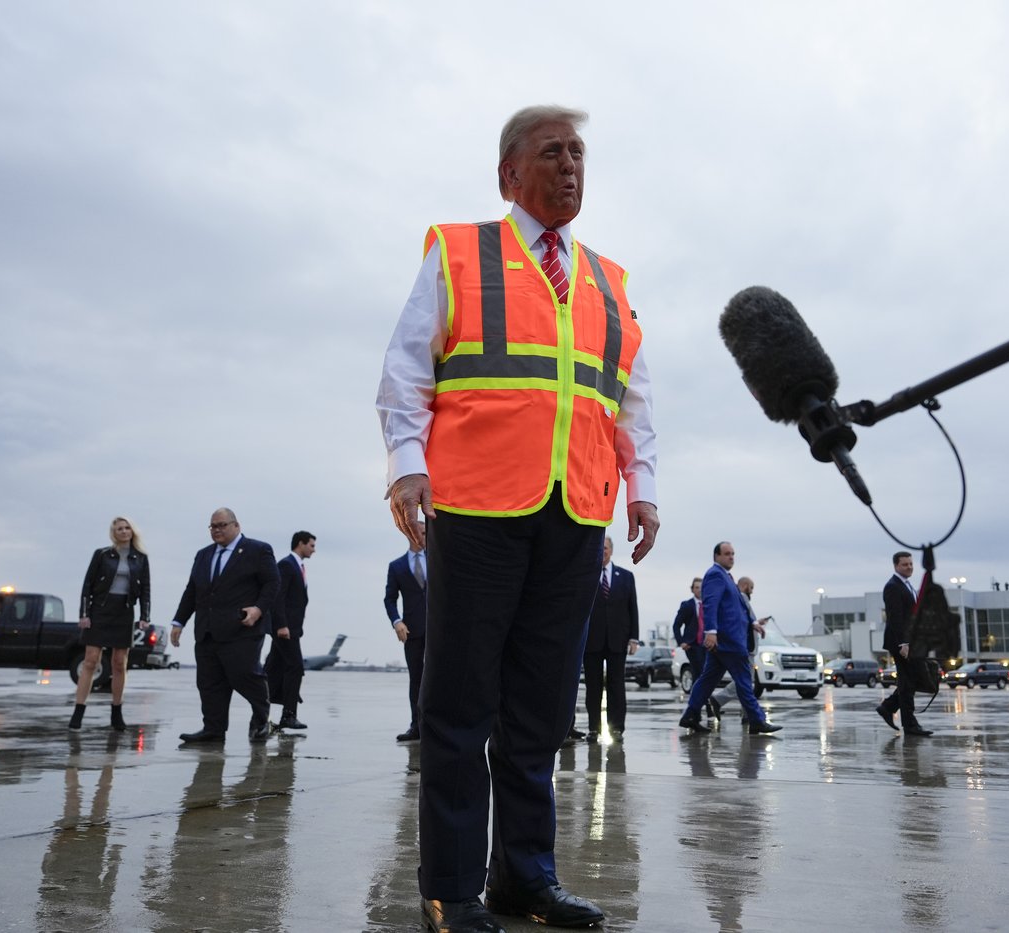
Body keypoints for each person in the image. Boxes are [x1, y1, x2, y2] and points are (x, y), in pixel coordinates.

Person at [376, 104, 659, 933]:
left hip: (575, 513)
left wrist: (641, 486)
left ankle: (524, 878)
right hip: (476, 506)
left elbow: (631, 399)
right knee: (460, 705)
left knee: (540, 710)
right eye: (552, 152)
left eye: (579, 153)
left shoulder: (608, 280)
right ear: (509, 174)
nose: (571, 166)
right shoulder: (460, 252)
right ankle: (452, 887)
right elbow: (406, 367)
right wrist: (407, 465)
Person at [170, 508, 280, 745]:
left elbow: (272, 583)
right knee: (209, 683)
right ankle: (213, 730)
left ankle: (261, 719)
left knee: (245, 675)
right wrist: (179, 621)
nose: (217, 530)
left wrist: (258, 609)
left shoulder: (258, 550)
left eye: (222, 525)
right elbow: (192, 590)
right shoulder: (203, 555)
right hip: (207, 629)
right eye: (213, 526)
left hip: (242, 628)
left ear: (236, 525)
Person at [678, 543, 780, 736]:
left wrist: (752, 623)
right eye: (727, 554)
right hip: (729, 640)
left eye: (733, 554)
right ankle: (757, 720)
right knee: (744, 680)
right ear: (716, 556)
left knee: (707, 680)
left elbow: (738, 607)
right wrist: (711, 631)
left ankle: (690, 715)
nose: (731, 557)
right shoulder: (715, 575)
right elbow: (710, 603)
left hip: (726, 640)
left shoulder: (727, 576)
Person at [72, 516, 151, 732]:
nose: (123, 531)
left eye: (127, 528)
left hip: (124, 611)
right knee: (90, 661)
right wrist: (84, 614)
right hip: (100, 610)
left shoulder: (141, 558)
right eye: (119, 529)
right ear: (113, 533)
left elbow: (145, 589)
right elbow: (87, 584)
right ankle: (78, 711)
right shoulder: (102, 554)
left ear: (132, 531)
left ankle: (117, 712)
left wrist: (145, 615)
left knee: (119, 663)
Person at [582, 537, 640, 741]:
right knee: (593, 686)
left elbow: (632, 609)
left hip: (618, 640)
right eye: (600, 547)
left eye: (605, 548)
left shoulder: (626, 577)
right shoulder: (586, 575)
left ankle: (616, 729)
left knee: (617, 686)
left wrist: (634, 638)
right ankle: (594, 729)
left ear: (611, 551)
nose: (603, 551)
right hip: (591, 640)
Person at [875, 551, 933, 737]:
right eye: (905, 564)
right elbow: (895, 618)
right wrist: (903, 643)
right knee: (909, 681)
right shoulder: (893, 586)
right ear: (896, 566)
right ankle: (909, 724)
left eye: (911, 564)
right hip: (901, 643)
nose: (909, 567)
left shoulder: (907, 585)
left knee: (910, 680)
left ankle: (889, 707)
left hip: (911, 641)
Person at [266, 531, 315, 732]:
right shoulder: (287, 565)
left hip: (292, 628)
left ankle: (261, 712)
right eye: (311, 545)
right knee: (295, 667)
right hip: (285, 629)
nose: (314, 550)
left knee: (273, 670)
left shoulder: (297, 566)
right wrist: (281, 625)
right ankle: (288, 715)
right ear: (300, 544)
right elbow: (278, 596)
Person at [384, 542, 427, 743]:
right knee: (416, 678)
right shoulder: (397, 566)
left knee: (441, 677)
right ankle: (416, 726)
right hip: (412, 630)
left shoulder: (438, 559)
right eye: (422, 532)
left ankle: (440, 726)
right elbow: (389, 599)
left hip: (439, 628)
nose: (425, 535)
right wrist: (396, 621)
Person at [710, 576, 767, 722]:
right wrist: (755, 624)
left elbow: (747, 620)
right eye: (751, 587)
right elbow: (744, 620)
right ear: (745, 585)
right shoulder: (742, 597)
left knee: (745, 681)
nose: (752, 591)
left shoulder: (739, 599)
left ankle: (747, 714)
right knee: (745, 681)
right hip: (746, 648)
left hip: (745, 647)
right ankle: (720, 700)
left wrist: (756, 622)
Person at [670, 577, 704, 685]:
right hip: (692, 645)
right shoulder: (687, 605)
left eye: (701, 587)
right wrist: (681, 642)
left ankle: (701, 694)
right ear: (692, 589)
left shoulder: (709, 604)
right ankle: (697, 694)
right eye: (697, 587)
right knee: (698, 671)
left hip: (707, 644)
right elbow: (676, 625)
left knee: (705, 673)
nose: (699, 590)